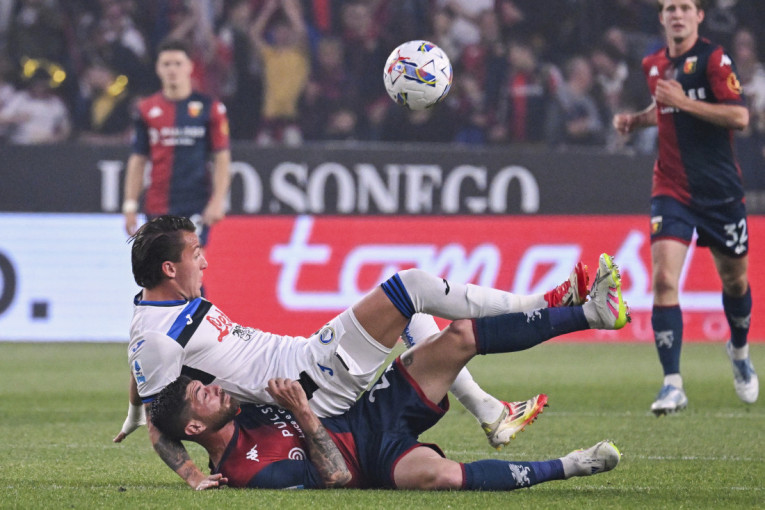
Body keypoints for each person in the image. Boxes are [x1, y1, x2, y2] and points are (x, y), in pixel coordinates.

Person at [115, 215, 628, 489]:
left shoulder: (159, 313)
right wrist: (192, 475)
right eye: (195, 253)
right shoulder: (158, 335)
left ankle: (490, 410)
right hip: (311, 382)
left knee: (415, 317)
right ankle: (550, 302)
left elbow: (145, 380)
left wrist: (135, 409)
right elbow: (164, 413)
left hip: (307, 362)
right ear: (169, 270)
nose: (204, 260)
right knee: (411, 287)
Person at [148, 347, 621, 490]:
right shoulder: (246, 471)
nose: (212, 387)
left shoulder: (237, 402)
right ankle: (571, 465)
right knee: (443, 477)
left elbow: (155, 413)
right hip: (374, 459)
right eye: (201, 393)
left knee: (457, 336)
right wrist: (302, 412)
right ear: (194, 428)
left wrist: (189, 474)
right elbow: (337, 476)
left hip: (370, 409)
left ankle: (579, 310)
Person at [612, 0, 758, 415]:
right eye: (670, 8)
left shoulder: (714, 60)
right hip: (671, 187)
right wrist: (637, 120)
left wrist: (684, 100)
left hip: (719, 192)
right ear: (661, 18)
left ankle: (739, 350)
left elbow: (739, 117)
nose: (677, 14)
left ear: (698, 16)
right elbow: (665, 110)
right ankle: (672, 384)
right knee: (663, 280)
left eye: (685, 7)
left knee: (735, 282)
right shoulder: (653, 64)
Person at [121, 38, 231, 248]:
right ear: (158, 68)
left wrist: (218, 201)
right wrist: (130, 205)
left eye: (178, 64)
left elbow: (221, 158)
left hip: (197, 203)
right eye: (166, 64)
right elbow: (138, 159)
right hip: (158, 204)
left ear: (190, 66)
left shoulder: (210, 109)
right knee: (164, 264)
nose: (172, 69)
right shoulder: (146, 109)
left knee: (190, 261)